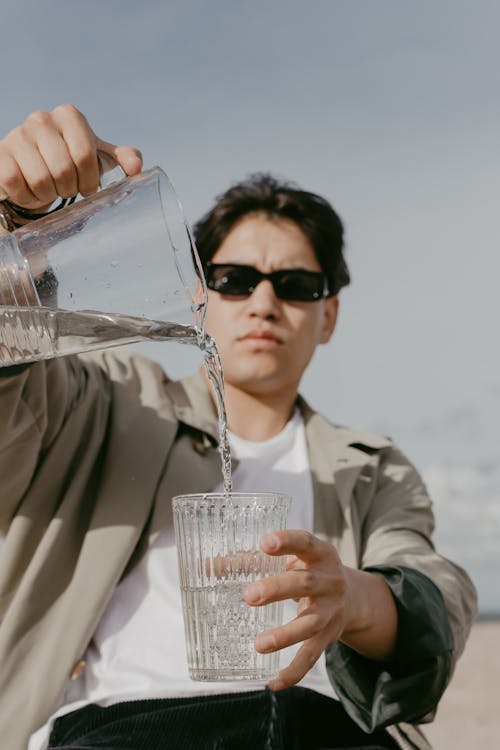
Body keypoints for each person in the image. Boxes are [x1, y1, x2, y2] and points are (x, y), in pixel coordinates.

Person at [0, 105, 476, 750]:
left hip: (320, 726)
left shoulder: (370, 465)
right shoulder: (101, 401)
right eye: (234, 279)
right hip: (123, 728)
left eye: (297, 284)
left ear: (328, 316)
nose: (263, 303)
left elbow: (434, 595)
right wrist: (16, 227)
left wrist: (354, 599)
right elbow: (11, 372)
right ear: (199, 292)